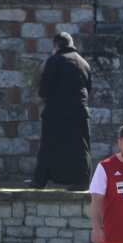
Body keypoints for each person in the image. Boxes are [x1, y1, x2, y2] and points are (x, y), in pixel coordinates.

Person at [31, 32, 92, 190]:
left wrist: (43, 96)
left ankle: (40, 180)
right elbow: (88, 88)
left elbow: (46, 87)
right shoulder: (84, 62)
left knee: (48, 145)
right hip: (79, 111)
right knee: (81, 147)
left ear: (56, 45)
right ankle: (83, 180)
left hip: (56, 112)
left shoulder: (55, 60)